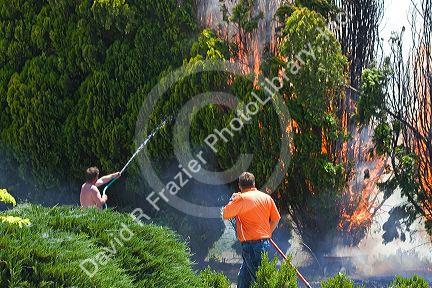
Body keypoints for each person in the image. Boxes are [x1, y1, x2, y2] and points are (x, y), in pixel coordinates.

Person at [222, 172, 281, 288]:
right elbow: (276, 219)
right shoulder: (266, 198)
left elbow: (225, 214)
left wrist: (232, 199)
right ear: (254, 183)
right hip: (262, 244)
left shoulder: (241, 199)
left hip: (251, 246)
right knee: (243, 279)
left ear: (240, 186)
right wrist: (268, 233)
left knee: (259, 281)